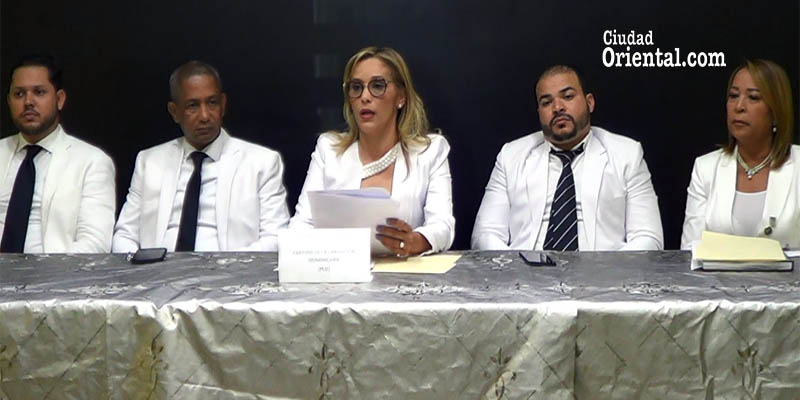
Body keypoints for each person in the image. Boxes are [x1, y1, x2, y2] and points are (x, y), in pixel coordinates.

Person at [472, 65, 663, 251]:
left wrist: (606, 270)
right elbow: (485, 234)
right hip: (524, 269)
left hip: (604, 270)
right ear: (539, 113)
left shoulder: (627, 154)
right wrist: (516, 268)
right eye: (546, 102)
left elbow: (648, 238)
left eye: (568, 96)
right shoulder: (511, 156)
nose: (557, 107)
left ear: (590, 103)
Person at [290, 46, 454, 256]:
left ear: (401, 97)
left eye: (377, 86)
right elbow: (300, 225)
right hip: (339, 272)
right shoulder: (328, 149)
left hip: (404, 273)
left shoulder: (430, 151)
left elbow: (443, 225)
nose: (365, 97)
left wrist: (414, 241)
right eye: (356, 87)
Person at [112, 60, 290, 252]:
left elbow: (276, 237)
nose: (205, 116)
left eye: (212, 103)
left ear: (223, 105)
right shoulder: (149, 161)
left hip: (231, 268)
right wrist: (142, 265)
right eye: (193, 106)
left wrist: (229, 265)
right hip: (157, 268)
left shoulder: (261, 162)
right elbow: (124, 235)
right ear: (174, 112)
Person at [0, 54, 116, 253]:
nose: (28, 102)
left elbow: (95, 244)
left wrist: (46, 271)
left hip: (57, 271)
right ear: (9, 101)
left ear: (59, 99)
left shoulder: (91, 162)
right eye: (19, 94)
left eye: (39, 92)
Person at [681, 59, 799, 249]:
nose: (739, 106)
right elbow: (691, 250)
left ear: (777, 111)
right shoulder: (705, 168)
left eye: (753, 97)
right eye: (734, 96)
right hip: (716, 271)